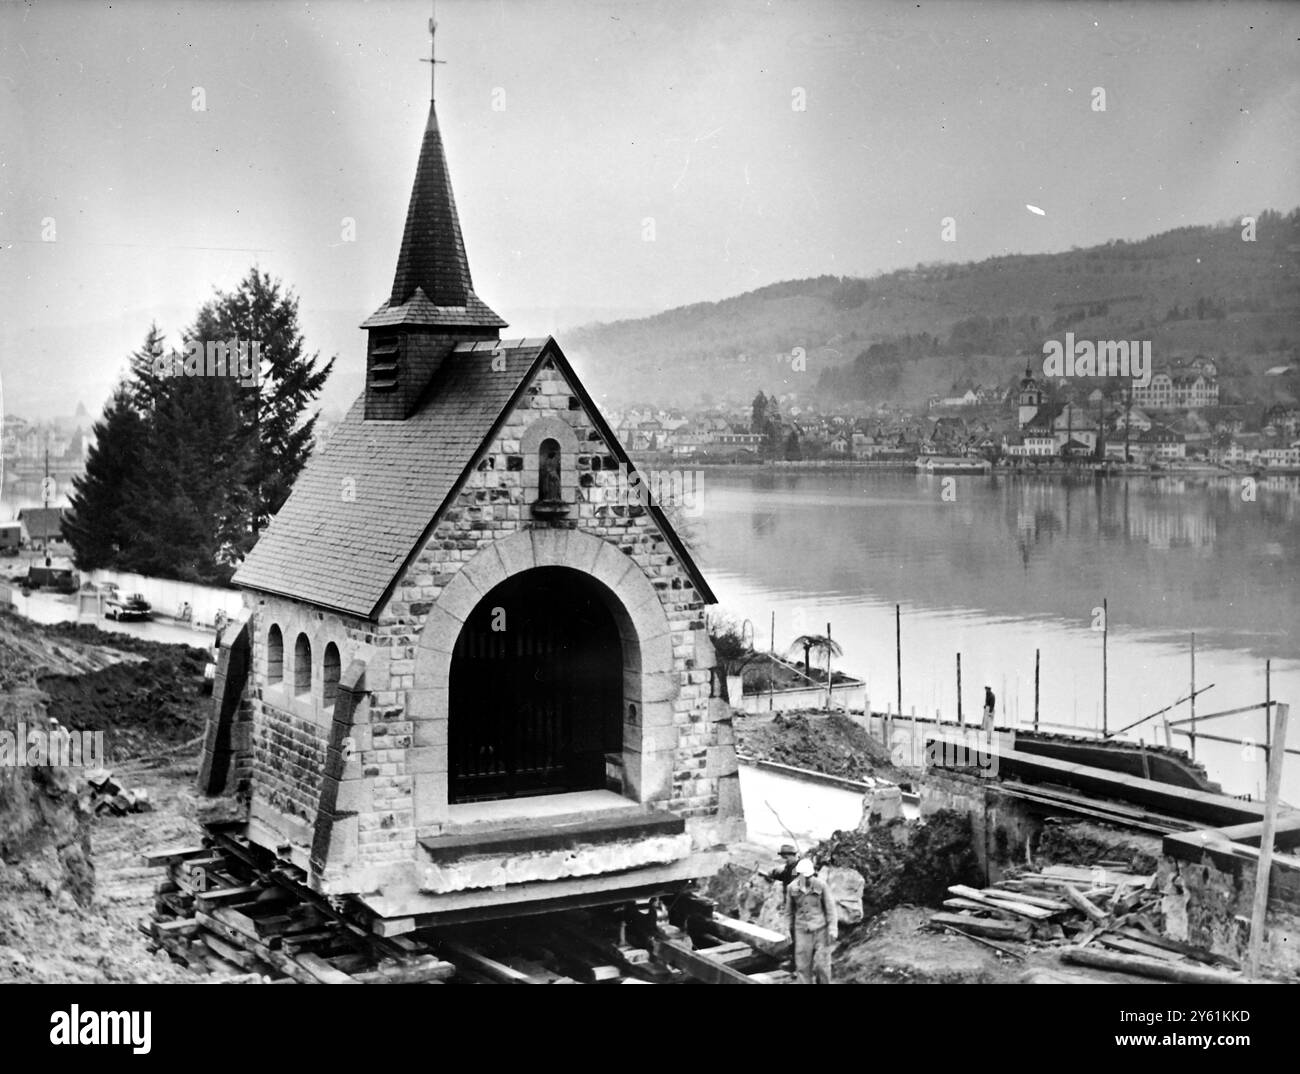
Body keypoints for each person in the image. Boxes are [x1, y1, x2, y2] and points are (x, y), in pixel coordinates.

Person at [786, 858, 837, 984]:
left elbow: (831, 909)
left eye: (809, 876)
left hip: (821, 930)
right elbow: (788, 913)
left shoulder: (821, 885)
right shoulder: (791, 888)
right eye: (804, 876)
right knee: (802, 967)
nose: (807, 879)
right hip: (802, 931)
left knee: (822, 965)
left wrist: (833, 928)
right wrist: (786, 930)